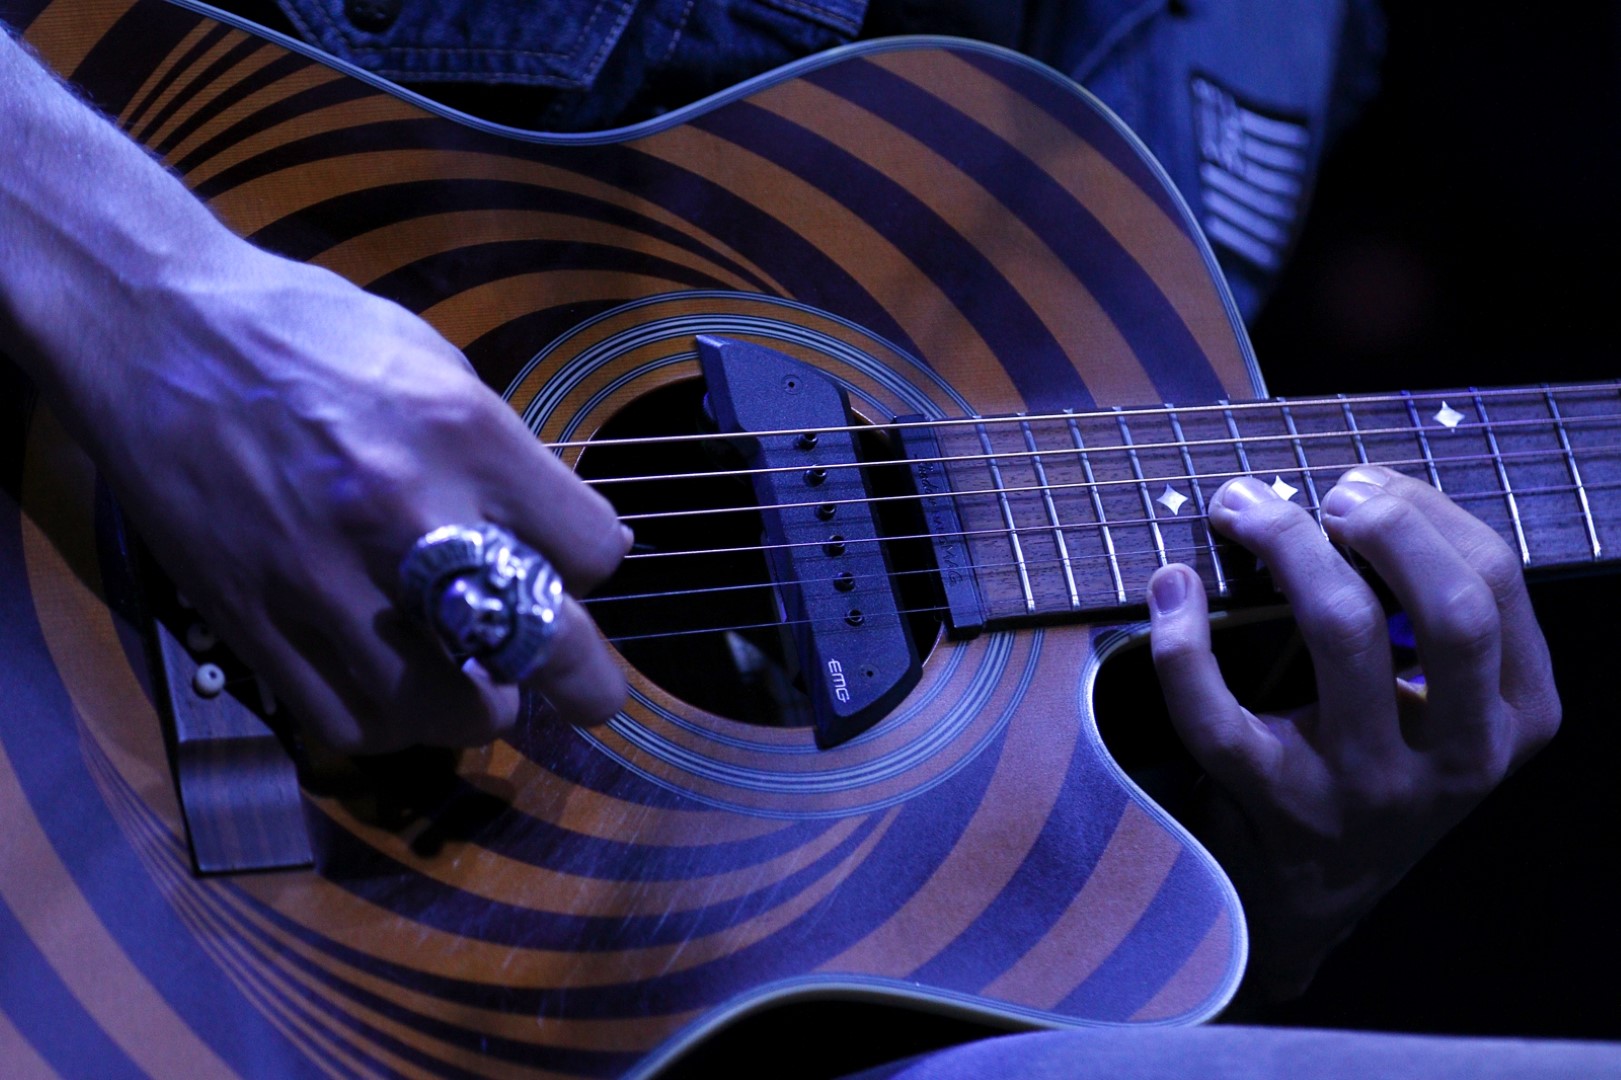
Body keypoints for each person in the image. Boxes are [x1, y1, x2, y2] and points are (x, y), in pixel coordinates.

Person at [1, 2, 1612, 1075]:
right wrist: (156, 301)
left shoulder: (1290, 34)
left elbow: (996, 820)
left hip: (463, 992)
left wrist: (1287, 876)